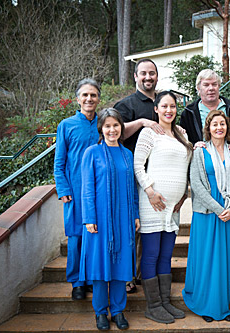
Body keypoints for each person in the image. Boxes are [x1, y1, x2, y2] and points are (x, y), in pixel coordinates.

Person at [180, 68, 230, 292]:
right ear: (198, 88)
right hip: (204, 170)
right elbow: (185, 138)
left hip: (228, 168)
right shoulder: (189, 112)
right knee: (208, 233)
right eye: (206, 85)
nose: (210, 88)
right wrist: (194, 145)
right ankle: (207, 277)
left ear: (219, 86)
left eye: (214, 84)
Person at [134, 91, 192, 324]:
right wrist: (149, 191)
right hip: (152, 203)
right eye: (164, 106)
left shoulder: (182, 134)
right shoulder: (149, 133)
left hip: (173, 207)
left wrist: (184, 193)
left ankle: (165, 301)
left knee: (166, 255)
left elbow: (186, 167)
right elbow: (138, 165)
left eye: (173, 106)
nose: (169, 110)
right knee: (151, 253)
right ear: (156, 109)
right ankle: (153, 305)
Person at [79, 108, 139, 330]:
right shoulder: (92, 153)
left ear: (121, 128)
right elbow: (86, 188)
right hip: (100, 220)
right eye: (107, 126)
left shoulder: (127, 154)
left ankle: (118, 310)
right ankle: (100, 312)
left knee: (120, 265)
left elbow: (132, 188)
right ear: (101, 129)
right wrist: (89, 218)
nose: (112, 130)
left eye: (116, 125)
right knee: (100, 265)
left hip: (123, 218)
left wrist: (135, 215)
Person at [182, 110, 230, 322]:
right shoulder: (200, 152)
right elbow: (196, 185)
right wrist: (218, 209)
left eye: (222, 124)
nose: (219, 127)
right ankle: (203, 305)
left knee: (224, 262)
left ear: (227, 128)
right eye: (214, 124)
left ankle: (221, 306)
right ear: (208, 128)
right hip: (208, 212)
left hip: (228, 213)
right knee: (207, 259)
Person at [114, 58, 161, 293]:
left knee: (149, 227)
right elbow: (117, 134)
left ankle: (143, 273)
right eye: (143, 73)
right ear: (135, 76)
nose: (148, 77)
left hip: (157, 175)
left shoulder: (163, 102)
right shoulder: (126, 104)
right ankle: (126, 275)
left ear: (157, 76)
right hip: (132, 175)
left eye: (151, 73)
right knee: (130, 225)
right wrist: (142, 122)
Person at [54, 78, 100, 301]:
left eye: (93, 95)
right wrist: (62, 188)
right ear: (78, 99)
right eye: (85, 95)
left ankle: (92, 278)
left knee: (95, 235)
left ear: (98, 98)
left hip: (99, 191)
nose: (89, 99)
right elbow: (59, 161)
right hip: (75, 191)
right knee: (76, 237)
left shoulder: (104, 124)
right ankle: (77, 282)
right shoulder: (66, 125)